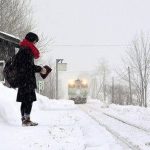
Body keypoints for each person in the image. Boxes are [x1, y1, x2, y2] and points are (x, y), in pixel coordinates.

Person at [15, 32, 46, 126]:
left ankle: (24, 120)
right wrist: (40, 69)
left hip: (23, 80)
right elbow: (28, 67)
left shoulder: (23, 49)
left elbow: (25, 66)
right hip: (27, 80)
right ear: (32, 40)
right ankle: (26, 120)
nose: (35, 44)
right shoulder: (27, 51)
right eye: (35, 41)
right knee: (28, 100)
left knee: (25, 100)